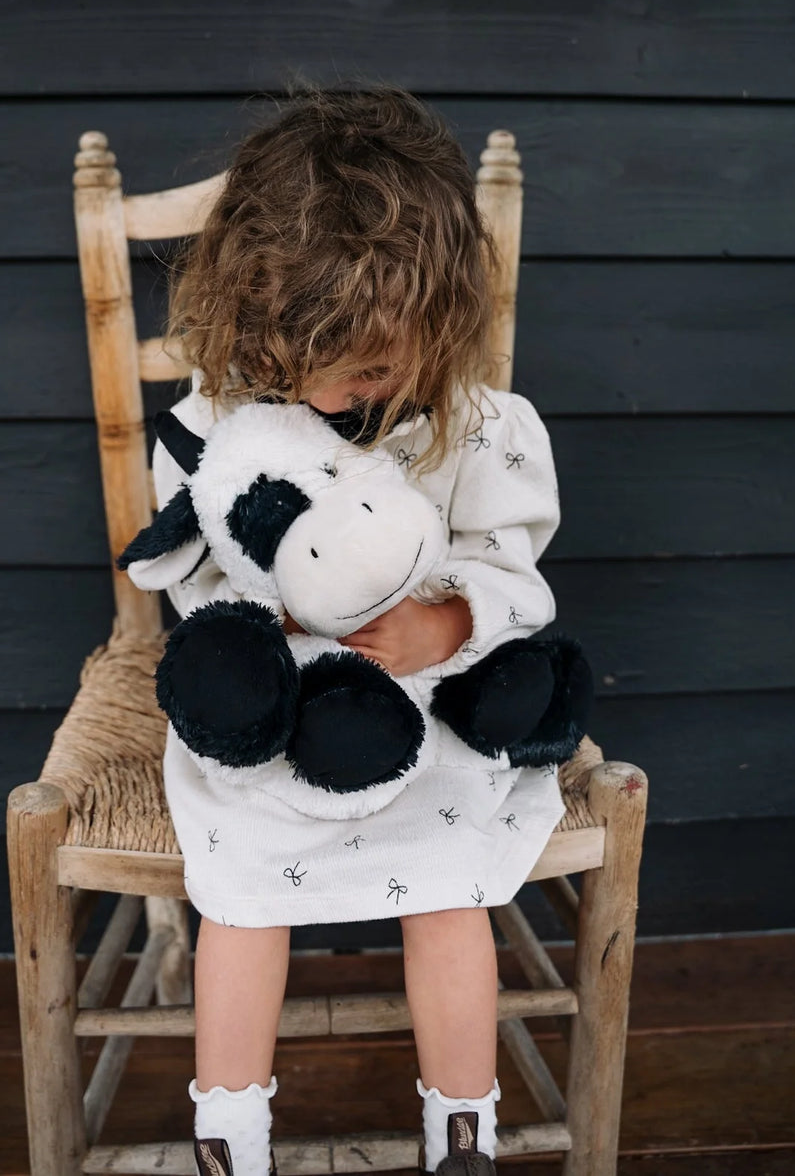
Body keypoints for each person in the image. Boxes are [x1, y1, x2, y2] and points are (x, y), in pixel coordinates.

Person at [144, 80, 577, 1176]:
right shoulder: (216, 424)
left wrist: (450, 618)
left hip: (425, 701)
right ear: (254, 322)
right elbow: (193, 573)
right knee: (241, 882)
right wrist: (269, 615)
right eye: (305, 366)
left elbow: (515, 571)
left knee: (447, 879)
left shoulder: (476, 428)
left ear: (441, 323)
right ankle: (228, 1138)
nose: (336, 396)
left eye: (373, 368)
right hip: (289, 710)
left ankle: (463, 1133)